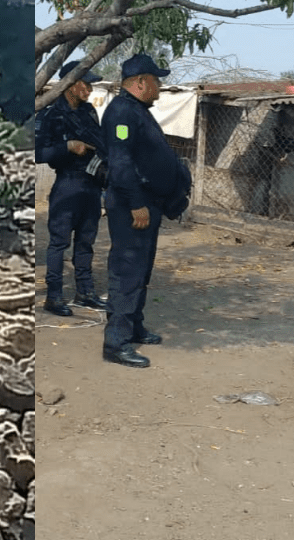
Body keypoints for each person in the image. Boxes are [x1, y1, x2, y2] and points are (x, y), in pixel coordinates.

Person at [101, 54, 191, 368]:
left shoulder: (137, 111)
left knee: (141, 270)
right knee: (127, 270)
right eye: (157, 81)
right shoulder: (122, 113)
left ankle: (133, 326)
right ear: (142, 82)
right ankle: (116, 342)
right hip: (132, 207)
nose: (160, 87)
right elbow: (121, 163)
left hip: (147, 205)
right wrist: (137, 203)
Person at [35, 61, 109, 316]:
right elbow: (36, 152)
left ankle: (85, 293)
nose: (89, 88)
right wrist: (67, 147)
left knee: (86, 242)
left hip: (91, 185)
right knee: (59, 242)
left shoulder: (89, 112)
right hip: (67, 183)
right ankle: (54, 297)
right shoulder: (51, 113)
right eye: (85, 83)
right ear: (70, 84)